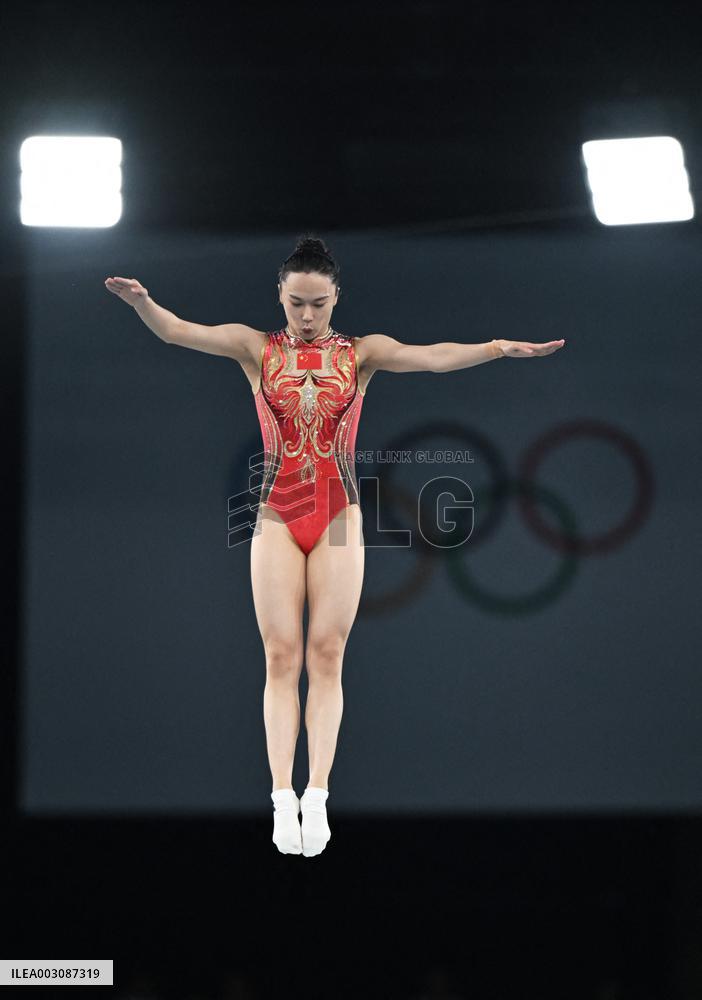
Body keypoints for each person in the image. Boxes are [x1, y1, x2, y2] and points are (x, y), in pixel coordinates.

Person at [105, 234, 565, 857]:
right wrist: (142, 303)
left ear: (335, 298)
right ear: (280, 296)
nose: (306, 316)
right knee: (279, 654)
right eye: (296, 303)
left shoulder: (363, 352)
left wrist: (496, 348)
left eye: (318, 304)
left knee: (327, 651)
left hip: (339, 512)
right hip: (274, 510)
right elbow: (178, 331)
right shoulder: (254, 347)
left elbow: (430, 357)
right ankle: (279, 796)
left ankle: (316, 791)